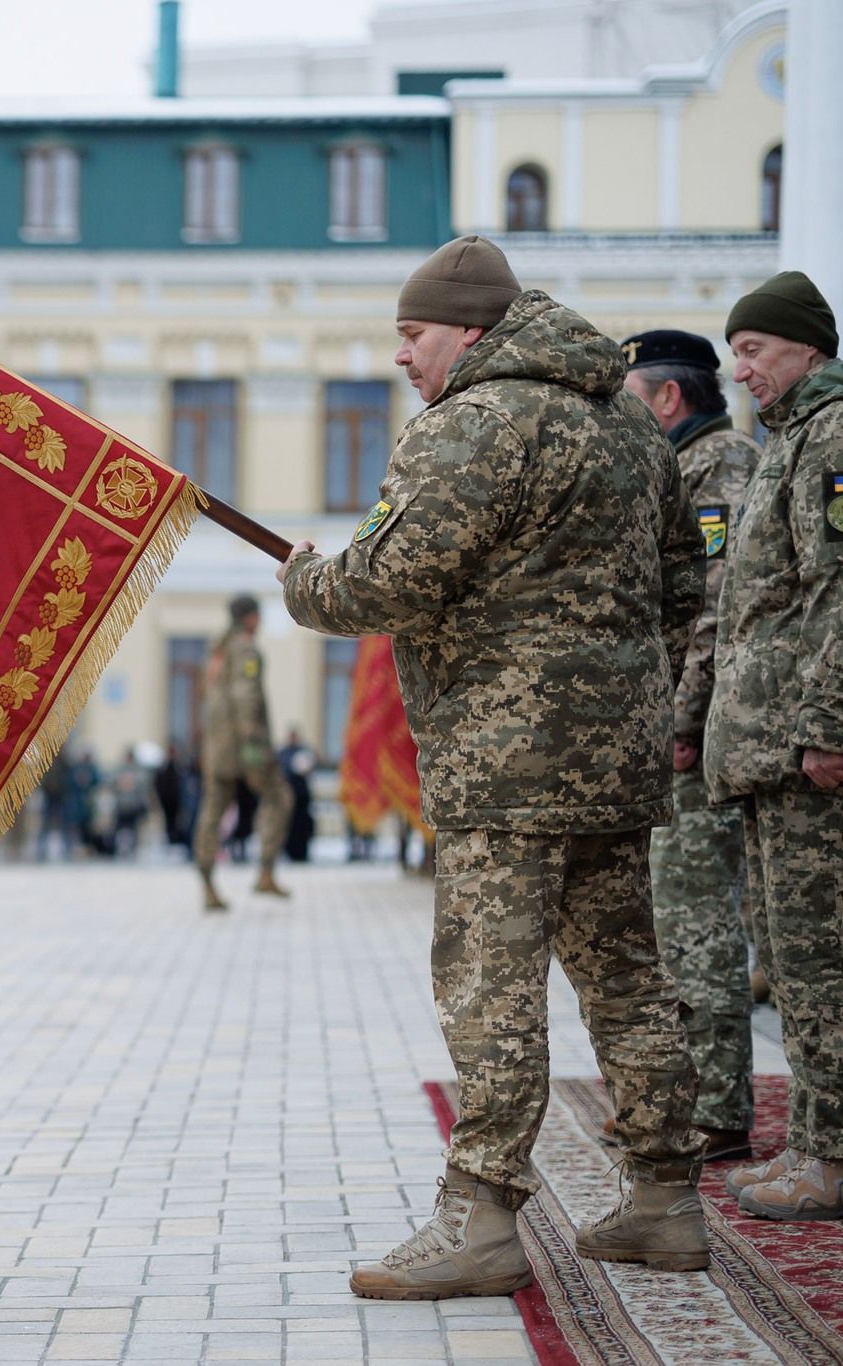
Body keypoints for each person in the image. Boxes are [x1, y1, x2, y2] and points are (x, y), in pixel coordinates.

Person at [279, 235, 708, 1297]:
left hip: (503, 763)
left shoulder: (470, 423)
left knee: (490, 987)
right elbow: (678, 583)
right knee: (624, 975)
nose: (400, 358)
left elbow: (381, 584)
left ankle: (477, 1219)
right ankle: (664, 1197)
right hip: (614, 757)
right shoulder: (623, 419)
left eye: (411, 335)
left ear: (467, 329)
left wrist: (303, 578)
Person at [707, 272, 843, 1221]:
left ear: (805, 347)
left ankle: (829, 1160)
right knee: (791, 966)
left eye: (754, 349)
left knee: (820, 962)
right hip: (768, 753)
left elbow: (837, 592)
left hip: (807, 753)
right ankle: (810, 1145)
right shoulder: (787, 441)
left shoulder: (832, 437)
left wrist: (827, 729)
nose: (740, 368)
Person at [615, 328, 760, 1164]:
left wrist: (678, 719)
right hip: (678, 728)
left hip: (698, 736)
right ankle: (678, 1104)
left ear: (668, 399)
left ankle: (716, 1112)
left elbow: (710, 608)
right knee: (670, 923)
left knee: (698, 923)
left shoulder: (719, 468)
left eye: (632, 398)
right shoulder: (679, 467)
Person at [192, 595, 290, 910]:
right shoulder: (245, 649)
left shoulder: (216, 651)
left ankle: (207, 884)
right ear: (250, 618)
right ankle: (265, 871)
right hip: (246, 746)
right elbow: (245, 693)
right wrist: (251, 740)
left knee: (213, 812)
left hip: (217, 747)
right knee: (279, 799)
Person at [278, 727, 316, 864]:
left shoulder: (304, 751)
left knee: (302, 827)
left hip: (302, 798)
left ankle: (302, 853)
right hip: (287, 796)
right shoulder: (283, 753)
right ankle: (288, 851)